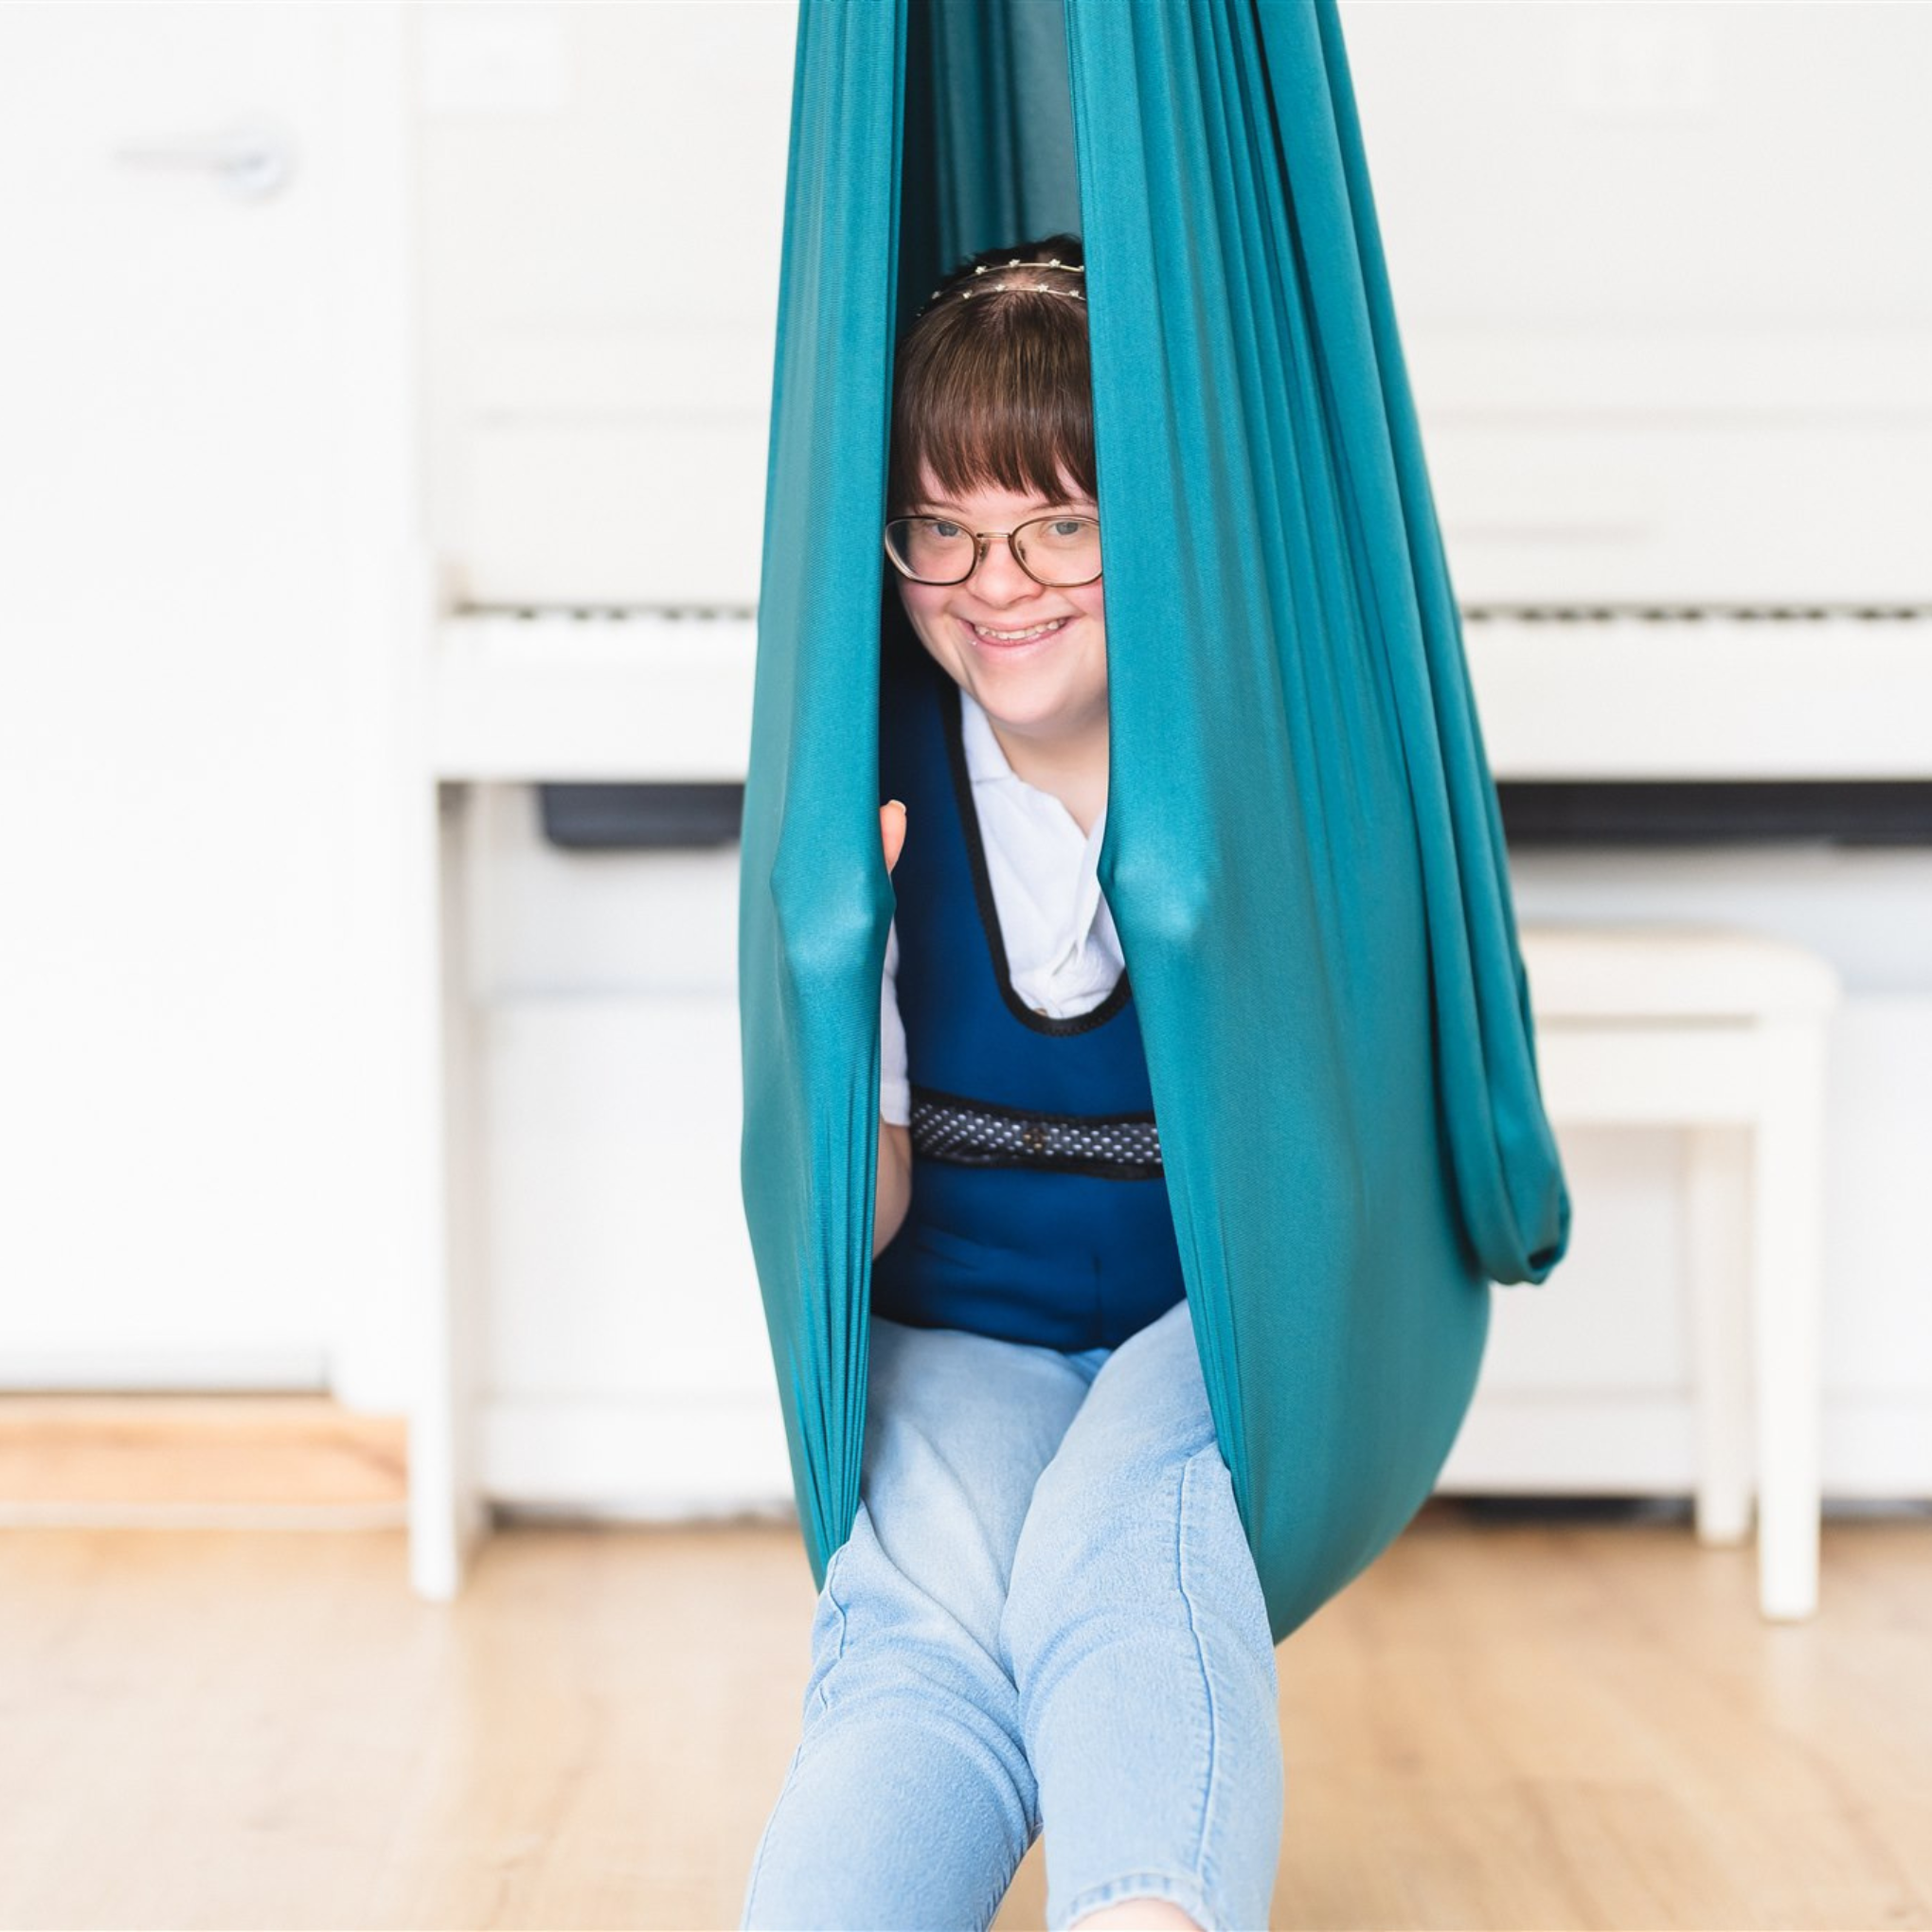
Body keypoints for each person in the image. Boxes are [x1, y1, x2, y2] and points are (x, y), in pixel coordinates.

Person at [740, 235, 1284, 1932]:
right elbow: (868, 1206)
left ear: (1152, 529)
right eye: (943, 528)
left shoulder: (1256, 753)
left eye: (1059, 524)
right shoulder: (875, 774)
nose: (998, 582)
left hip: (1222, 1313)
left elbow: (1327, 1156)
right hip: (966, 1319)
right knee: (914, 1624)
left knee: (1123, 1535)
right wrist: (829, 990)